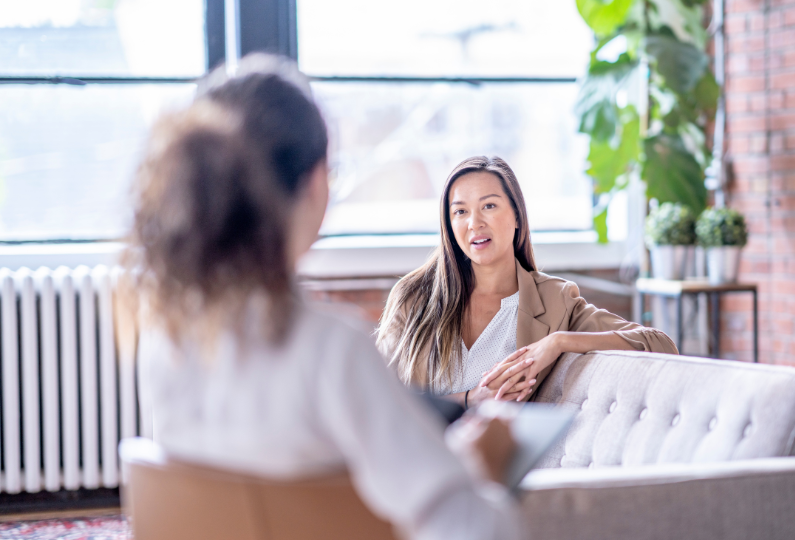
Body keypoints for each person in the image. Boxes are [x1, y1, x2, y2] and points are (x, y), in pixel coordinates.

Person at [125, 55, 520, 540]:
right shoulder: (332, 347)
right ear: (316, 183)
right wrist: (481, 473)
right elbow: (472, 530)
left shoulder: (165, 335)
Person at [377, 156, 679, 408]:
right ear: (450, 224)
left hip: (506, 469)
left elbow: (660, 344)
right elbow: (376, 399)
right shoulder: (413, 297)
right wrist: (470, 400)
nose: (475, 223)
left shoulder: (554, 300)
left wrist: (558, 341)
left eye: (489, 206)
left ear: (518, 215)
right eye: (460, 211)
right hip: (421, 463)